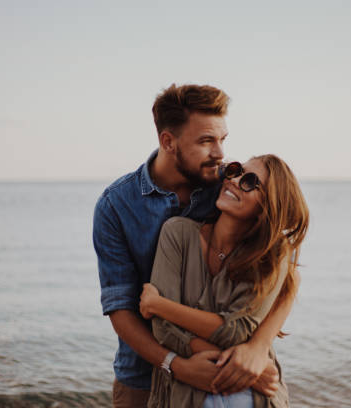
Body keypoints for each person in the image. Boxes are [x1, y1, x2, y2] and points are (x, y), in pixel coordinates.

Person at [93, 84, 296, 408]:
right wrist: (177, 364)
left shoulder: (228, 186)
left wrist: (256, 348)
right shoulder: (116, 205)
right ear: (168, 142)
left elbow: (284, 273)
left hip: (237, 374)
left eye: (222, 140)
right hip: (144, 376)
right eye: (206, 141)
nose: (220, 154)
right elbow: (121, 309)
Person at [139, 156, 309, 407]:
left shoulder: (271, 256)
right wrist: (249, 370)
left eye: (250, 181)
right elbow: (163, 329)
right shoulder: (177, 234)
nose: (234, 181)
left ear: (268, 205)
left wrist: (159, 305)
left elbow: (237, 331)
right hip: (188, 395)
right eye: (235, 170)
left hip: (258, 398)